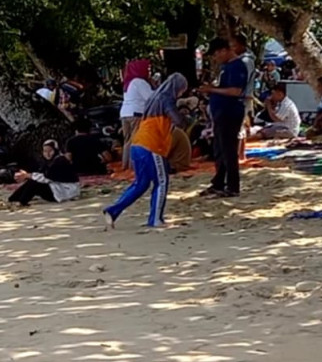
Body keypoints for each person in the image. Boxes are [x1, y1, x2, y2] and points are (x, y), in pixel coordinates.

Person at [103, 73, 189, 228]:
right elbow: (178, 121)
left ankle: (113, 211)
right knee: (161, 181)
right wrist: (185, 116)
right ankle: (156, 219)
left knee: (140, 184)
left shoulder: (153, 99)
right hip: (153, 145)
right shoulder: (166, 99)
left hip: (138, 143)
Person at [199, 38, 248, 198]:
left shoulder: (237, 66)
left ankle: (233, 186)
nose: (215, 58)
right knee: (219, 149)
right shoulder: (225, 67)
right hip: (220, 113)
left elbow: (236, 91)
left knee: (228, 150)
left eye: (215, 54)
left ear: (223, 50)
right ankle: (219, 182)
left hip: (230, 112)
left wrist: (213, 90)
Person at [9, 140, 81, 207]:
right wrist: (27, 175)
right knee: (32, 181)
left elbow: (47, 178)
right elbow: (42, 174)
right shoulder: (51, 161)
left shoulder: (60, 161)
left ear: (55, 150)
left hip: (66, 191)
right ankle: (13, 198)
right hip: (58, 187)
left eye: (50, 151)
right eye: (45, 151)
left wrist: (27, 175)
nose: (47, 154)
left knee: (34, 183)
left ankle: (22, 202)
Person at [120, 59, 154, 169]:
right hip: (136, 112)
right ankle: (134, 164)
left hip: (125, 113)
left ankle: (125, 164)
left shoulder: (128, 83)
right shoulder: (139, 82)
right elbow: (150, 97)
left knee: (127, 140)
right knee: (136, 139)